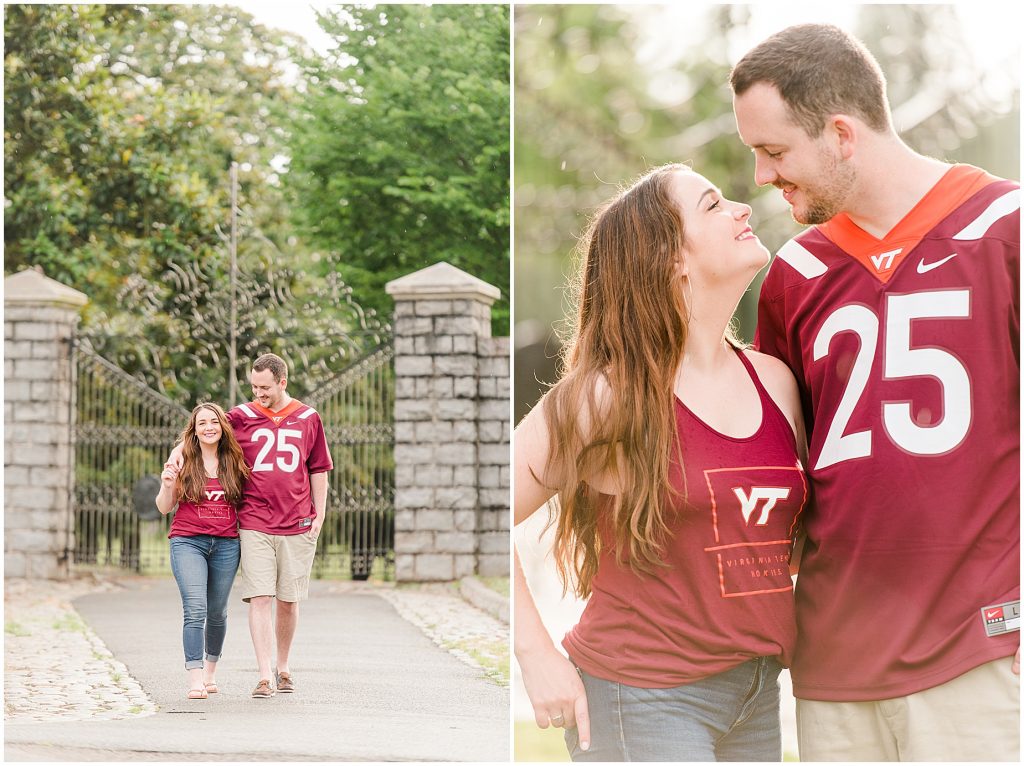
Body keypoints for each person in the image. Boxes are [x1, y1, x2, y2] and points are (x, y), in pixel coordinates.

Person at [730, 23, 1020, 762]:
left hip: (979, 651)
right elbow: (780, 464)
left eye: (772, 151)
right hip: (835, 666)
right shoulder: (796, 272)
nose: (762, 177)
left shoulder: (1007, 228)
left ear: (840, 133)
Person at [514, 162, 809, 762]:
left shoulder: (775, 382)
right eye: (713, 205)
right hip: (643, 696)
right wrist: (537, 656)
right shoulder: (607, 395)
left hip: (756, 691)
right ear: (670, 257)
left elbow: (787, 544)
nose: (742, 208)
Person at [167, 353, 333, 699]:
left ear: (282, 382)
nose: (258, 393)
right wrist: (176, 453)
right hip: (255, 519)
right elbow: (205, 428)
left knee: (288, 600)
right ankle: (263, 676)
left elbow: (318, 469)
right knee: (260, 597)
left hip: (298, 520)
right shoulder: (242, 416)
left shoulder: (308, 417)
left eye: (265, 388)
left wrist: (319, 514)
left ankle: (283, 666)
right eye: (254, 386)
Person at [156, 402, 250, 700]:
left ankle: (210, 671)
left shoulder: (235, 460)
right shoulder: (183, 459)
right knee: (195, 609)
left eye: (213, 422)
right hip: (188, 542)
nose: (208, 427)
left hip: (225, 543)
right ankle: (194, 677)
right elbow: (163, 507)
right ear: (193, 431)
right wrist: (168, 484)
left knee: (218, 612)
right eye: (201, 424)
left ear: (222, 426)